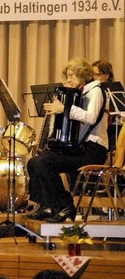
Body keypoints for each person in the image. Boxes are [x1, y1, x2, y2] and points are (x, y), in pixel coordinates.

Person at [26, 57, 108, 223]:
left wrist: (64, 109)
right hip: (80, 149)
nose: (68, 79)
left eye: (71, 75)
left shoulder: (95, 91)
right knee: (34, 162)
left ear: (82, 74)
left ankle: (65, 205)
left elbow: (91, 118)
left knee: (44, 162)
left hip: (93, 151)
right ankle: (46, 205)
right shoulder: (80, 93)